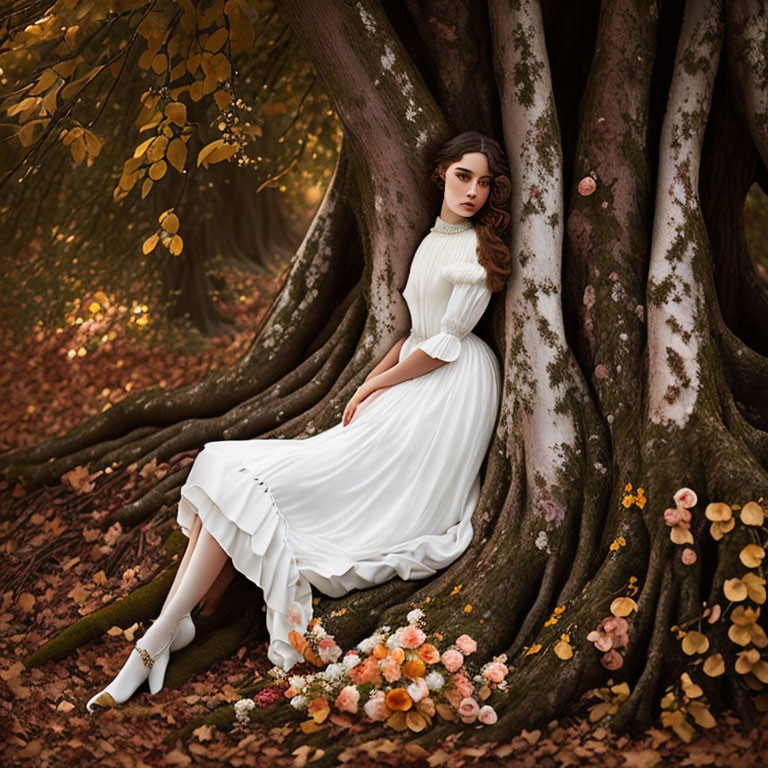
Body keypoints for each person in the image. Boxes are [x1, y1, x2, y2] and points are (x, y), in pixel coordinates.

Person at [86, 130, 512, 713]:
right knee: (236, 471)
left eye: (484, 181)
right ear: (441, 174)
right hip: (415, 375)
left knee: (272, 481)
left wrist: (377, 383)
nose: (473, 190)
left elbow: (444, 345)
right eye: (463, 175)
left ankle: (159, 638)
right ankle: (170, 629)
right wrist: (372, 378)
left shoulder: (474, 251)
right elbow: (414, 333)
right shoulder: (432, 241)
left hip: (447, 394)